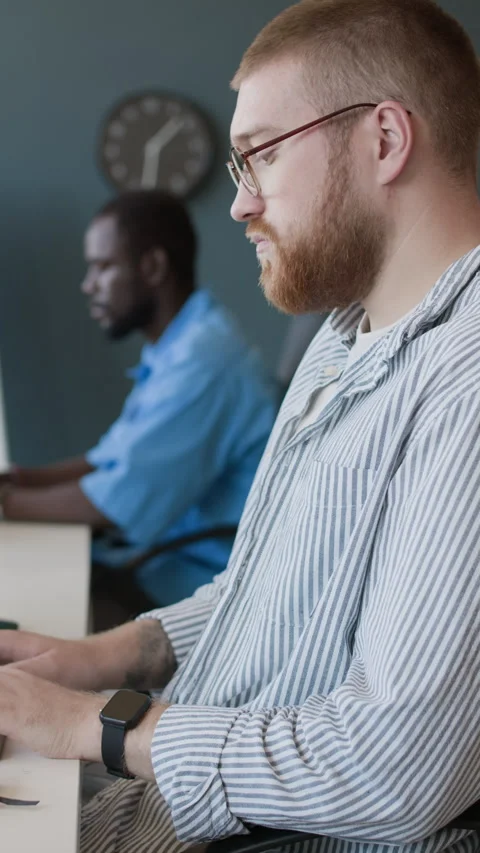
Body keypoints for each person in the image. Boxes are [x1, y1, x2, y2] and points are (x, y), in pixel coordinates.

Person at [1, 1, 480, 851]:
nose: (239, 205)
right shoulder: (342, 339)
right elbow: (264, 585)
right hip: (173, 779)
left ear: (383, 139)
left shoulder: (464, 383)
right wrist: (98, 659)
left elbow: (395, 768)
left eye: (260, 154)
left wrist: (95, 726)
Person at [0, 190, 277, 619]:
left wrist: (8, 504)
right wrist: (18, 479)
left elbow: (111, 502)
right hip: (154, 557)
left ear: (152, 267)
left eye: (103, 267)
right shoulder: (181, 342)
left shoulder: (203, 361)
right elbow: (107, 461)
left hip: (187, 584)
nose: (88, 285)